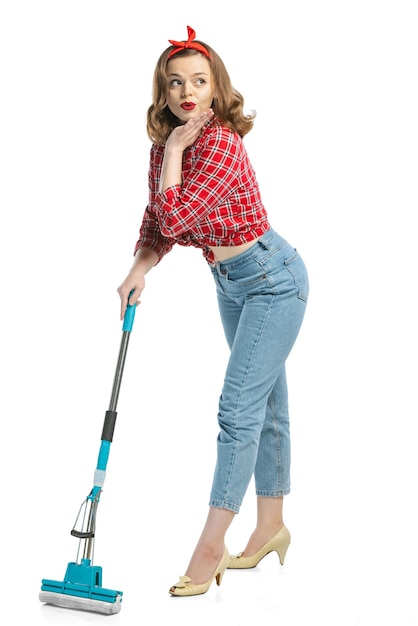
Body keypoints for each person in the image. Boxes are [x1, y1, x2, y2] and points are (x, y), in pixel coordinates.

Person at [117, 26, 309, 597]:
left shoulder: (221, 143)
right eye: (175, 83)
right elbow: (159, 223)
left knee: (237, 411)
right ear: (163, 92)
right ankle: (271, 527)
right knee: (267, 404)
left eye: (199, 81)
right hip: (230, 282)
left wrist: (176, 150)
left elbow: (178, 219)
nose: (187, 92)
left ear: (216, 87)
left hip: (273, 279)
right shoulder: (165, 148)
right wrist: (139, 268)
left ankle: (210, 544)